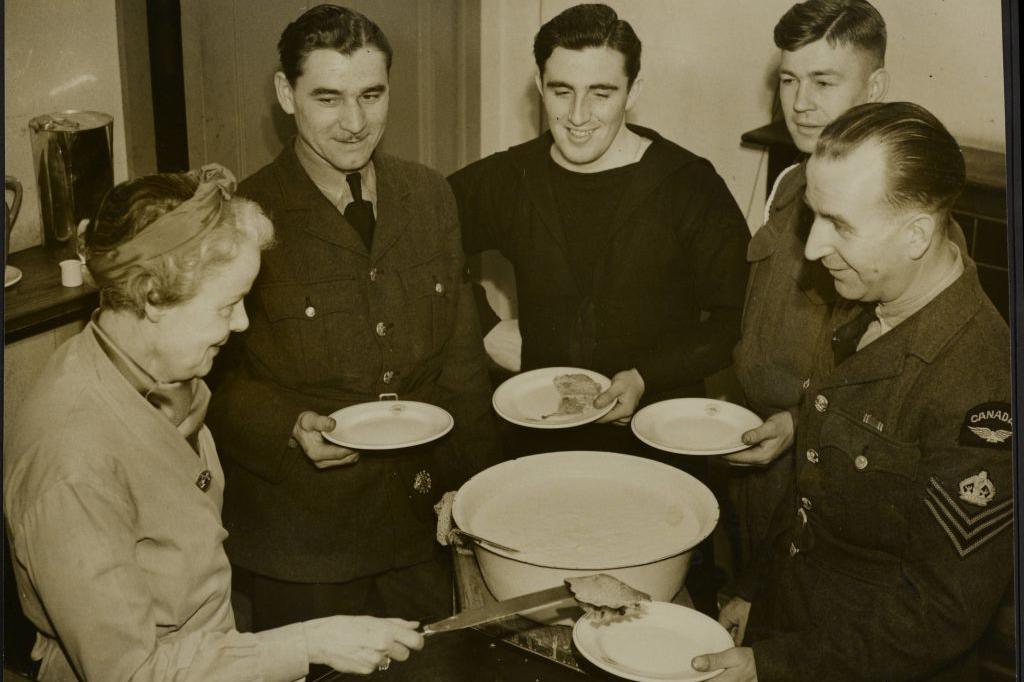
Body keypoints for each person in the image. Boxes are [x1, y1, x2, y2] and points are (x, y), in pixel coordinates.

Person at [3, 166, 424, 681]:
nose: (242, 322)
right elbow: (131, 675)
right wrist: (310, 641)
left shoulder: (150, 372)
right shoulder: (71, 462)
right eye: (227, 305)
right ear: (152, 298)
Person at [204, 4, 501, 632]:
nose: (355, 122)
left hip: (423, 523)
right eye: (329, 98)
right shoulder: (243, 216)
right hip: (304, 543)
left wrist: (471, 484)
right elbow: (211, 382)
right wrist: (287, 426)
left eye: (372, 94)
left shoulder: (429, 195)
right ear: (286, 94)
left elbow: (463, 357)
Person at [693, 102, 1013, 681]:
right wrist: (755, 591)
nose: (813, 248)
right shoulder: (873, 303)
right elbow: (816, 492)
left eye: (839, 224)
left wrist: (772, 665)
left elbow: (940, 615)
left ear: (917, 235)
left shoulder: (979, 385)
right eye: (815, 216)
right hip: (790, 617)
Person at [728, 0, 890, 567]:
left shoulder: (900, 209)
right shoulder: (793, 181)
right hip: (758, 459)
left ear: (874, 88)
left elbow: (888, 387)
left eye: (823, 81)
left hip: (818, 473)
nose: (800, 103)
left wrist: (797, 425)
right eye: (789, 80)